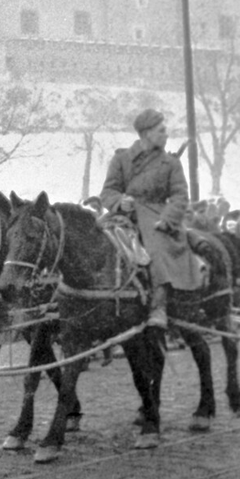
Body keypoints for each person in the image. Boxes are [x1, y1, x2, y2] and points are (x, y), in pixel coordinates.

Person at [100, 109, 202, 328]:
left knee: (155, 248)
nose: (166, 134)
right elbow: (108, 192)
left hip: (156, 216)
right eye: (161, 130)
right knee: (97, 242)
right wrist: (119, 201)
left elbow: (180, 195)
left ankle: (159, 306)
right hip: (122, 216)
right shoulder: (121, 159)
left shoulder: (171, 164)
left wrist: (168, 219)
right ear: (146, 134)